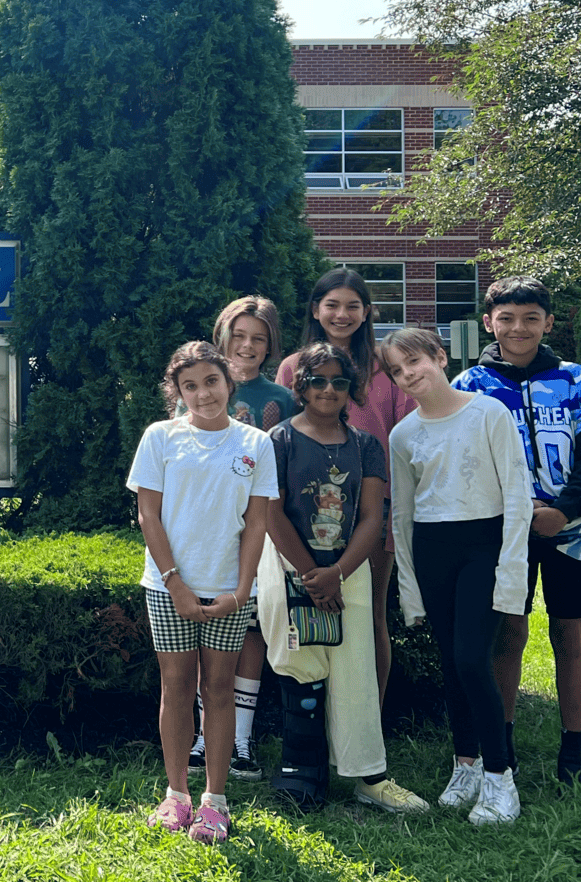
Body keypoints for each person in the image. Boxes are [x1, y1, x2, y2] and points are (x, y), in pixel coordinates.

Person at [451, 277, 581, 786]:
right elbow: (465, 466)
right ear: (488, 323)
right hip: (504, 534)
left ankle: (573, 752)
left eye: (530, 318)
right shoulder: (469, 387)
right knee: (508, 633)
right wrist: (514, 516)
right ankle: (504, 745)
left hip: (571, 530)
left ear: (548, 322)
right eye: (506, 318)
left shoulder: (578, 381)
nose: (517, 328)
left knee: (570, 633)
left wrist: (565, 512)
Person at [256, 343, 428, 815]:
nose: (327, 389)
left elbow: (373, 516)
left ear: (352, 389)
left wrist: (337, 572)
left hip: (348, 570)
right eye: (317, 380)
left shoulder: (365, 445)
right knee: (300, 663)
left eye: (338, 381)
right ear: (300, 386)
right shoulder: (279, 441)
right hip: (291, 568)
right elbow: (272, 512)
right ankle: (301, 771)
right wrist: (311, 574)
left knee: (355, 672)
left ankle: (369, 775)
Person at [385, 326, 533, 826]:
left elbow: (516, 496)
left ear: (439, 357)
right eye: (398, 371)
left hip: (484, 546)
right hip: (433, 549)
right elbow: (402, 518)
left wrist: (511, 574)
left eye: (415, 362)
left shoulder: (488, 413)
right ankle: (464, 763)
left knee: (474, 660)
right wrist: (410, 593)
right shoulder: (402, 435)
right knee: (451, 663)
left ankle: (500, 777)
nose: (409, 375)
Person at [129, 342, 273, 845]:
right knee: (176, 688)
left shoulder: (256, 442)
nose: (202, 393)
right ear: (178, 392)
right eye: (190, 385)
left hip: (229, 592)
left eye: (211, 381)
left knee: (218, 689)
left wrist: (241, 589)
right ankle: (176, 795)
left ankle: (215, 800)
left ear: (228, 382)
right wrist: (175, 583)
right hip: (168, 586)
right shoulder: (160, 437)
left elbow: (257, 524)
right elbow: (149, 515)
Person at [277, 268, 415, 702]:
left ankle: (368, 719)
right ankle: (311, 721)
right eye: (331, 305)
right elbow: (282, 437)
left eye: (352, 305)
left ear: (367, 311)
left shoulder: (385, 366)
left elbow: (408, 432)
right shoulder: (292, 367)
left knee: (369, 617)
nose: (342, 314)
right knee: (301, 614)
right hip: (302, 516)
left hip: (372, 515)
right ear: (316, 311)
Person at [188, 296, 296, 781]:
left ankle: (242, 741)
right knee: (202, 632)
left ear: (270, 343)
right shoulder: (197, 391)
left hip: (262, 531)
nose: (247, 345)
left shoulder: (283, 398)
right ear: (222, 335)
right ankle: (203, 735)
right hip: (205, 532)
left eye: (258, 337)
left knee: (249, 629)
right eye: (239, 335)